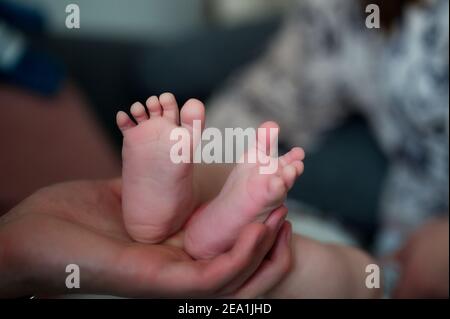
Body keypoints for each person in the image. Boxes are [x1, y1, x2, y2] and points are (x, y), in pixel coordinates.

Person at [204, 0, 449, 297]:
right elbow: (266, 96)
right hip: (403, 214)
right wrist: (198, 172)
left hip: (405, 222)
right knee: (157, 69)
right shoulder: (342, 15)